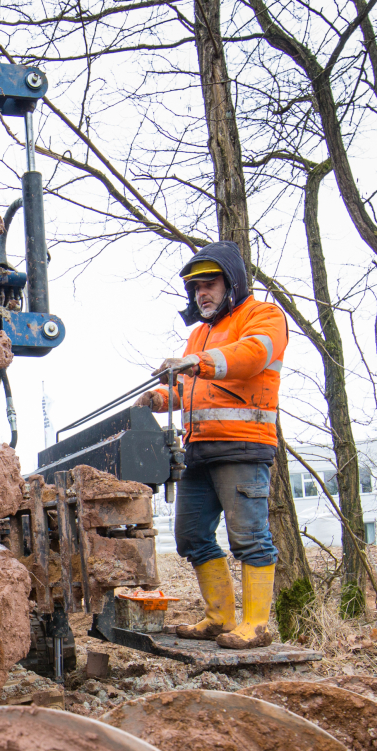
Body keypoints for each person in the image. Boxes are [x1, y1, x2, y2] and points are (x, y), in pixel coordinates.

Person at [135, 240, 285, 649]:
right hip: (199, 451)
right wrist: (161, 399)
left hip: (242, 448)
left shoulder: (264, 316)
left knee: (250, 538)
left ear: (231, 282)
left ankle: (256, 625)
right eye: (196, 287)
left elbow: (252, 356)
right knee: (191, 536)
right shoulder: (200, 335)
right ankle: (220, 617)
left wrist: (196, 363)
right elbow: (190, 390)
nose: (202, 293)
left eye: (210, 283)